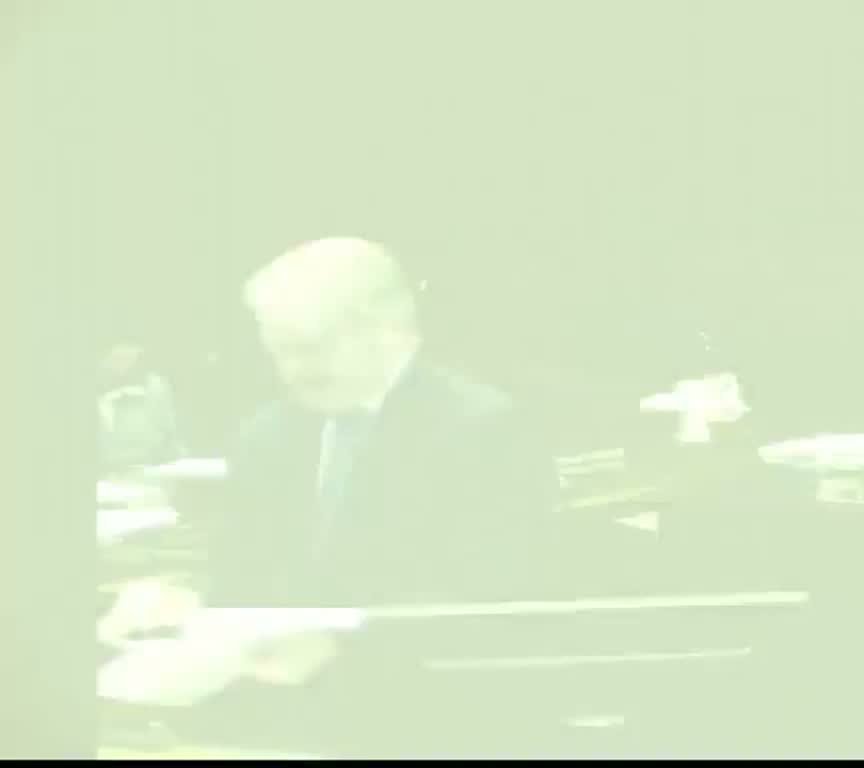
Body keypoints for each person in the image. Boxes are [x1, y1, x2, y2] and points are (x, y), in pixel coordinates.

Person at [99, 237, 563, 754]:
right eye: (279, 351)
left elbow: (494, 601)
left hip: (429, 722)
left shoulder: (483, 430)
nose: (292, 369)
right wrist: (180, 600)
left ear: (391, 331)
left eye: (310, 348)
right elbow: (244, 576)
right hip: (273, 721)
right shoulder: (266, 434)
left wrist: (341, 644)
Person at [98, 342, 184, 472]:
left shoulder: (156, 386)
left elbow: (167, 432)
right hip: (113, 465)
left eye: (128, 357)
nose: (124, 363)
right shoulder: (96, 389)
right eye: (117, 358)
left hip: (151, 465)